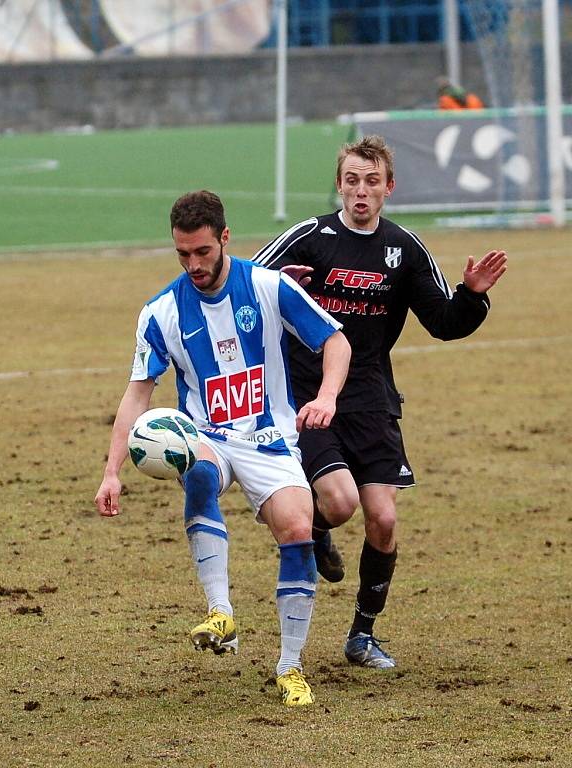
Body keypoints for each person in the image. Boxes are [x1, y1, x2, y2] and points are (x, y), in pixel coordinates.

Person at [252, 135, 507, 670]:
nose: (360, 191)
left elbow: (444, 322)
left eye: (371, 181)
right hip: (308, 392)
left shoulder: (405, 249)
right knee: (340, 503)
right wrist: (276, 285)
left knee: (384, 520)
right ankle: (318, 529)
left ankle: (361, 637)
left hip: (370, 394)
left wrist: (473, 294)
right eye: (351, 180)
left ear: (389, 187)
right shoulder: (309, 237)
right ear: (339, 185)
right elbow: (242, 290)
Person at [94, 190, 351, 707]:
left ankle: (290, 666)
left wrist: (325, 397)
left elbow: (335, 341)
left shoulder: (267, 286)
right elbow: (137, 394)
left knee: (300, 528)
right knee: (200, 475)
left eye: (202, 252)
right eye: (183, 254)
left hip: (270, 438)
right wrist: (111, 471)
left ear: (224, 239)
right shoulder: (161, 311)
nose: (193, 264)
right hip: (207, 435)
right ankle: (221, 612)